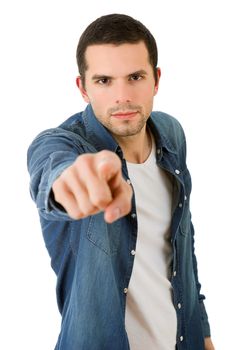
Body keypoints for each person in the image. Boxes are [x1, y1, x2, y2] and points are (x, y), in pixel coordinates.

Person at [27, 13, 215, 350]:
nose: (122, 96)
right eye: (103, 81)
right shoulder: (63, 144)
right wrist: (70, 182)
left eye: (135, 77)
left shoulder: (171, 133)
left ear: (156, 80)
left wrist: (202, 333)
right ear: (82, 88)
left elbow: (183, 244)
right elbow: (51, 168)